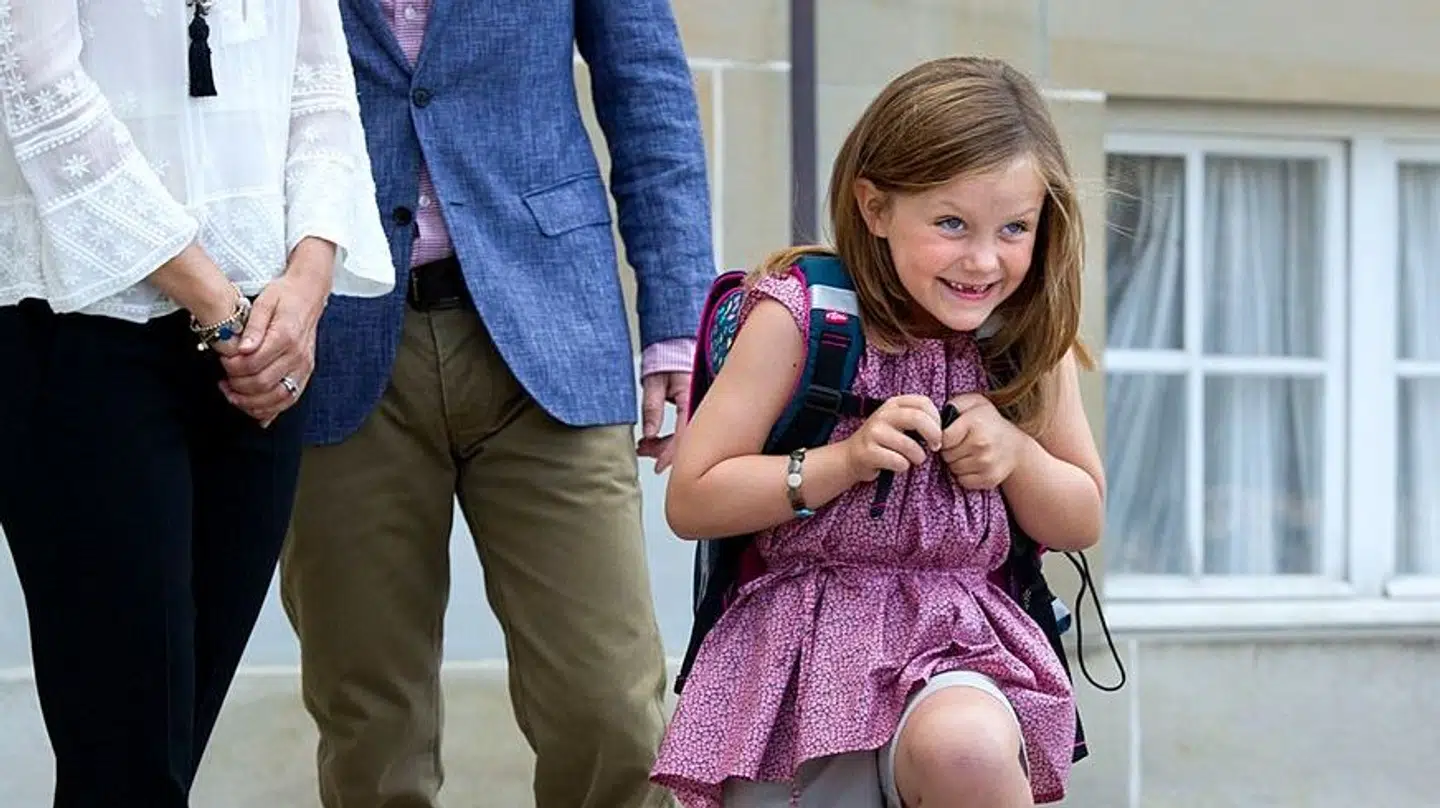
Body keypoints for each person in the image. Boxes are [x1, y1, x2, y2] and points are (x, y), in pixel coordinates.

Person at [277, 1, 714, 807]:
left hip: (550, 323)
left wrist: (678, 325)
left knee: (612, 712)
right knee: (373, 736)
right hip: (337, 333)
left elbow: (649, 93)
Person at [649, 56, 1106, 808]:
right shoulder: (800, 317)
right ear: (875, 207)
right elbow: (693, 499)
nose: (984, 260)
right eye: (951, 223)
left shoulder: (1023, 338)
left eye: (1014, 228)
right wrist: (842, 462)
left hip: (960, 645)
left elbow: (1081, 514)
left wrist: (1018, 455)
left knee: (969, 752)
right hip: (790, 668)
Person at [0, 1, 393, 806]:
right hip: (78, 328)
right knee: (126, 753)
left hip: (260, 339)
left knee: (170, 743)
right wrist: (217, 300)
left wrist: (309, 284)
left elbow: (320, 89)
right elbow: (33, 81)